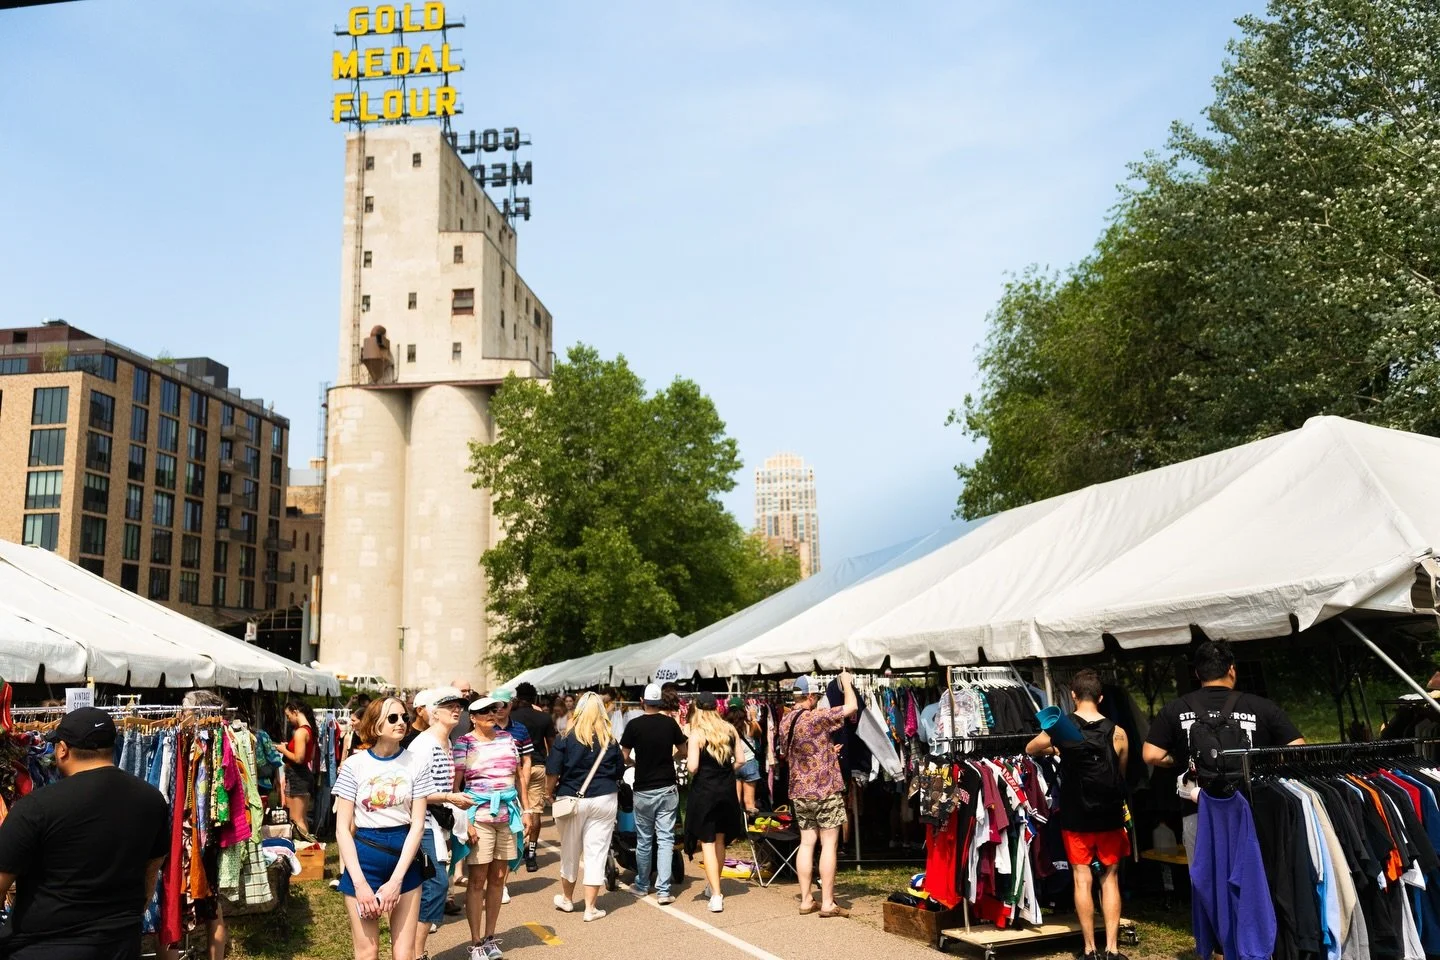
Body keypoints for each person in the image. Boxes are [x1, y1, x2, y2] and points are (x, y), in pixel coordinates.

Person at [0, 707, 170, 960]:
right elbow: (152, 870)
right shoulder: (152, 800)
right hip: (119, 944)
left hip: (42, 948)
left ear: (62, 749)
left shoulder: (37, 807)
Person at [1142, 639, 1304, 854]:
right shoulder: (1261, 706)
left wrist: (1181, 760)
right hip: (1251, 807)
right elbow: (1298, 750)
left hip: (1198, 809)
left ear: (1197, 674)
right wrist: (1265, 761)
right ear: (1232, 670)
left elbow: (1151, 755)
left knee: (1206, 883)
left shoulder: (1175, 709)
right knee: (1256, 880)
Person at [1026, 669, 1130, 960]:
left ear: (1072, 695)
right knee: (1109, 878)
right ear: (1100, 696)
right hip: (1109, 815)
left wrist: (1057, 749)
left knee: (1082, 878)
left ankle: (1089, 949)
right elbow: (1121, 774)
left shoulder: (1063, 727)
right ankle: (1112, 948)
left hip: (1075, 813)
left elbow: (1031, 748)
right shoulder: (1118, 732)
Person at [334, 696, 433, 960]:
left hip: (405, 858)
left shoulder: (417, 763)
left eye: (404, 717)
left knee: (404, 952)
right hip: (365, 857)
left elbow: (418, 824)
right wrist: (359, 884)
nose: (401, 722)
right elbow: (342, 829)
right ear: (376, 723)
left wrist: (396, 881)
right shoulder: (354, 765)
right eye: (393, 718)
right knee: (368, 951)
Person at [454, 696, 528, 960]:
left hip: (508, 815)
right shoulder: (464, 743)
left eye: (494, 710)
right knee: (477, 880)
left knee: (498, 879)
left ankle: (490, 937)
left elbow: (518, 775)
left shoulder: (508, 739)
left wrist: (527, 810)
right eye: (484, 711)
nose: (491, 714)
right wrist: (466, 821)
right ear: (472, 717)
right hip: (479, 816)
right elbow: (456, 787)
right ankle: (475, 942)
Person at [780, 671, 858, 919]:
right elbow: (851, 707)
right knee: (829, 844)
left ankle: (805, 900)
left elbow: (797, 753)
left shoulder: (785, 721)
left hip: (800, 791)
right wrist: (846, 682)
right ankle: (827, 903)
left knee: (806, 843)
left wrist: (827, 752)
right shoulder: (817, 717)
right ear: (811, 696)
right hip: (824, 790)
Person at [406, 688, 473, 960]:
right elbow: (412, 791)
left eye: (459, 706)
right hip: (423, 822)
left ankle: (412, 951)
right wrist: (449, 797)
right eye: (449, 706)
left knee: (430, 887)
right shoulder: (424, 745)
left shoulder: (447, 743)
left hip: (438, 821)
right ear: (433, 712)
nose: (456, 710)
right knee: (435, 886)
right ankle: (415, 953)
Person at [546, 692, 624, 922]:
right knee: (596, 852)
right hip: (604, 798)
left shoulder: (564, 738)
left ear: (578, 711)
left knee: (569, 850)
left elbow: (553, 771)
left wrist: (549, 793)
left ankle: (567, 899)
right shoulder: (609, 739)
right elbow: (619, 770)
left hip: (571, 799)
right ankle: (591, 908)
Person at [619, 683, 688, 904]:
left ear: (642, 702)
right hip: (667, 786)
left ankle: (642, 884)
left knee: (645, 839)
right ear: (660, 702)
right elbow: (684, 750)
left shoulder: (634, 725)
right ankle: (664, 890)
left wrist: (634, 762)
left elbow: (624, 755)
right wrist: (672, 759)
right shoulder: (670, 723)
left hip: (643, 788)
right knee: (666, 839)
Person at [684, 693, 747, 913]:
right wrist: (726, 770)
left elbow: (692, 766)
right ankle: (714, 887)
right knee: (720, 840)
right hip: (727, 789)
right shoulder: (730, 730)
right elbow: (741, 760)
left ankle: (717, 894)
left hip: (705, 791)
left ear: (698, 710)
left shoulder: (697, 734)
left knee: (708, 842)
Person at [489, 687, 532, 905]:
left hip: (511, 790)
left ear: (510, 705)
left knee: (508, 840)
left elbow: (526, 760)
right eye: (494, 706)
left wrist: (522, 782)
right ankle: (487, 884)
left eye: (503, 705)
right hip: (486, 793)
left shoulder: (521, 730)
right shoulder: (484, 726)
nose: (498, 710)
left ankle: (501, 884)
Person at [510, 682, 556, 872]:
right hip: (537, 765)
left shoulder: (510, 717)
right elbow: (551, 745)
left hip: (514, 767)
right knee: (535, 811)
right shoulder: (544, 718)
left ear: (517, 697)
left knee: (512, 808)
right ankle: (531, 853)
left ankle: (512, 851)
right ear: (534, 698)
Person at [275, 699, 318, 838]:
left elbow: (299, 758)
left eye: (288, 716)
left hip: (297, 776)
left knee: (296, 819)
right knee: (301, 817)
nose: (289, 719)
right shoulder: (310, 730)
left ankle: (308, 849)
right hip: (303, 775)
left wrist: (283, 749)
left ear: (295, 712)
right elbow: (309, 756)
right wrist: (290, 747)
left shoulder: (300, 732)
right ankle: (309, 851)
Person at [726, 701, 761, 814]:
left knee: (735, 801)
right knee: (750, 803)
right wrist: (754, 717)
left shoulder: (726, 727)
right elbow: (759, 733)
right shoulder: (749, 725)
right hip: (749, 762)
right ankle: (750, 828)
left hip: (733, 764)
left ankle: (738, 827)